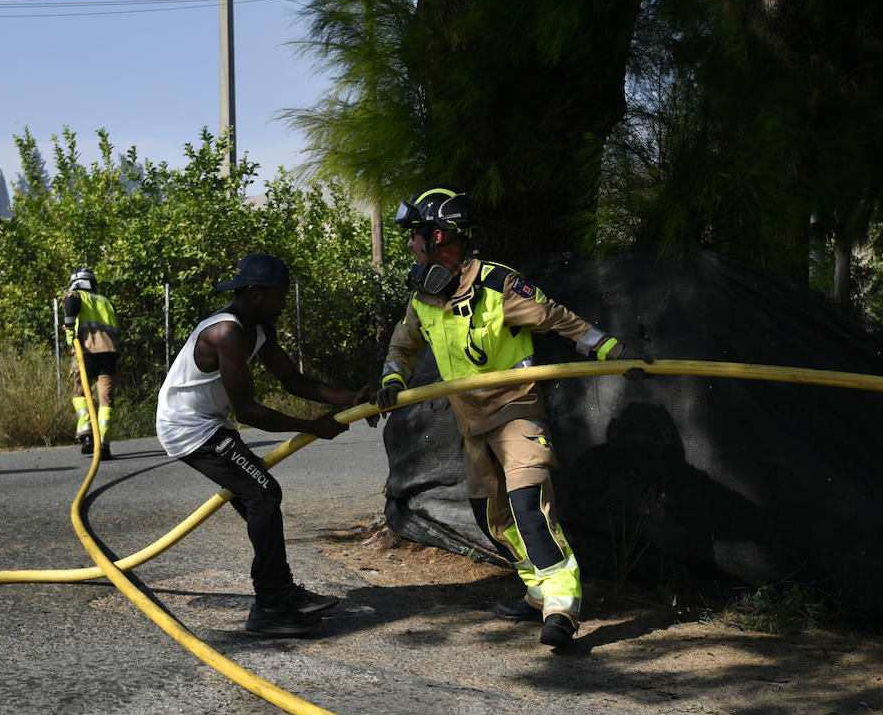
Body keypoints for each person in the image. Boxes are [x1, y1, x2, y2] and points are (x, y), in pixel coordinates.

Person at [374, 188, 650, 650]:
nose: (409, 246)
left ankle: (562, 606)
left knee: (528, 508)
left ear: (438, 235)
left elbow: (558, 319)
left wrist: (612, 350)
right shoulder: (423, 296)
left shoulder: (499, 286)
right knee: (491, 518)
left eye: (415, 236)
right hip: (471, 424)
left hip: (515, 413)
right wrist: (392, 379)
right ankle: (538, 590)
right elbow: (403, 347)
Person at [156, 253, 367, 637]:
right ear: (254, 293)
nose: (283, 303)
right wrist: (313, 427)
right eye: (279, 295)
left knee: (260, 497)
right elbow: (248, 410)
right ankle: (272, 602)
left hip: (209, 424)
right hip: (186, 428)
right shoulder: (227, 333)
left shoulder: (258, 328)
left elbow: (294, 381)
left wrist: (351, 398)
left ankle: (278, 595)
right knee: (263, 494)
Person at [63, 267, 121, 460]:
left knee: (80, 393)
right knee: (106, 399)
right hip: (110, 353)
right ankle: (103, 445)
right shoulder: (106, 301)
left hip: (86, 352)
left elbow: (70, 304)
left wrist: (70, 330)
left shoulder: (76, 295)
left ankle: (87, 436)